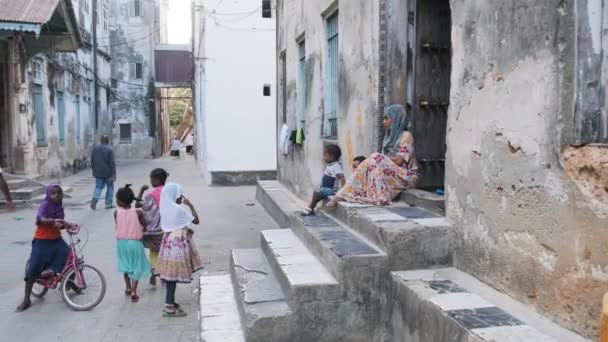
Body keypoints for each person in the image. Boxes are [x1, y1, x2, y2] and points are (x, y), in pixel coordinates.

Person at [327, 104, 418, 207]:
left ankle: (379, 197)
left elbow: (399, 161)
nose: (383, 122)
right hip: (391, 174)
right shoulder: (388, 138)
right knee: (368, 162)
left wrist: (378, 158)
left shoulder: (406, 136)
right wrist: (375, 159)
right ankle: (343, 194)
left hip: (406, 176)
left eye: (386, 118)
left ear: (396, 119)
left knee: (374, 157)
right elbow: (383, 164)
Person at [17, 185, 71, 312]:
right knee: (33, 268)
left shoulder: (60, 207)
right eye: (53, 193)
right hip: (42, 241)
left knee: (70, 257)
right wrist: (50, 221)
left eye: (59, 193)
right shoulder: (45, 205)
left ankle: (70, 284)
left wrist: (66, 225)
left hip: (56, 240)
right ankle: (26, 299)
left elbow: (61, 224)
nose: (56, 195)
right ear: (48, 194)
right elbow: (40, 218)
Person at [157, 182, 203, 317]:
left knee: (170, 275)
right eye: (179, 195)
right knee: (172, 276)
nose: (180, 197)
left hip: (168, 243)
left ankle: (170, 301)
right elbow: (196, 221)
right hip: (177, 244)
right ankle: (169, 306)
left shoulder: (165, 207)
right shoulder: (178, 209)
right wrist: (190, 205)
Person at [114, 184, 150, 303]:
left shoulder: (116, 213)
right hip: (135, 243)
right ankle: (134, 290)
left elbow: (117, 225)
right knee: (137, 266)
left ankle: (128, 287)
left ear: (121, 201)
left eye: (117, 199)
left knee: (125, 265)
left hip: (121, 244)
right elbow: (145, 227)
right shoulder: (138, 213)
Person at [135, 168, 168, 286]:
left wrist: (141, 190)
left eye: (151, 178)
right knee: (165, 252)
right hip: (166, 230)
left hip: (153, 231)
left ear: (156, 179)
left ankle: (154, 270)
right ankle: (164, 276)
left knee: (154, 252)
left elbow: (138, 204)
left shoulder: (151, 195)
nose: (150, 180)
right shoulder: (169, 191)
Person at [301, 144, 345, 216]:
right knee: (316, 191)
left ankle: (310, 208)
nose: (323, 157)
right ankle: (310, 208)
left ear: (332, 157)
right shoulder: (331, 164)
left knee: (316, 194)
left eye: (325, 155)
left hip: (331, 190)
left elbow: (342, 177)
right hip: (326, 188)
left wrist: (343, 191)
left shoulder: (336, 166)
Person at [91, 135, 116, 210]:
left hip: (98, 172)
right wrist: (114, 173)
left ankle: (94, 201)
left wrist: (94, 170)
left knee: (98, 187)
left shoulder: (95, 149)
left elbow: (92, 160)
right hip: (108, 173)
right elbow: (112, 162)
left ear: (101, 140)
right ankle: (108, 204)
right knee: (110, 187)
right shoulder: (110, 149)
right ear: (107, 141)